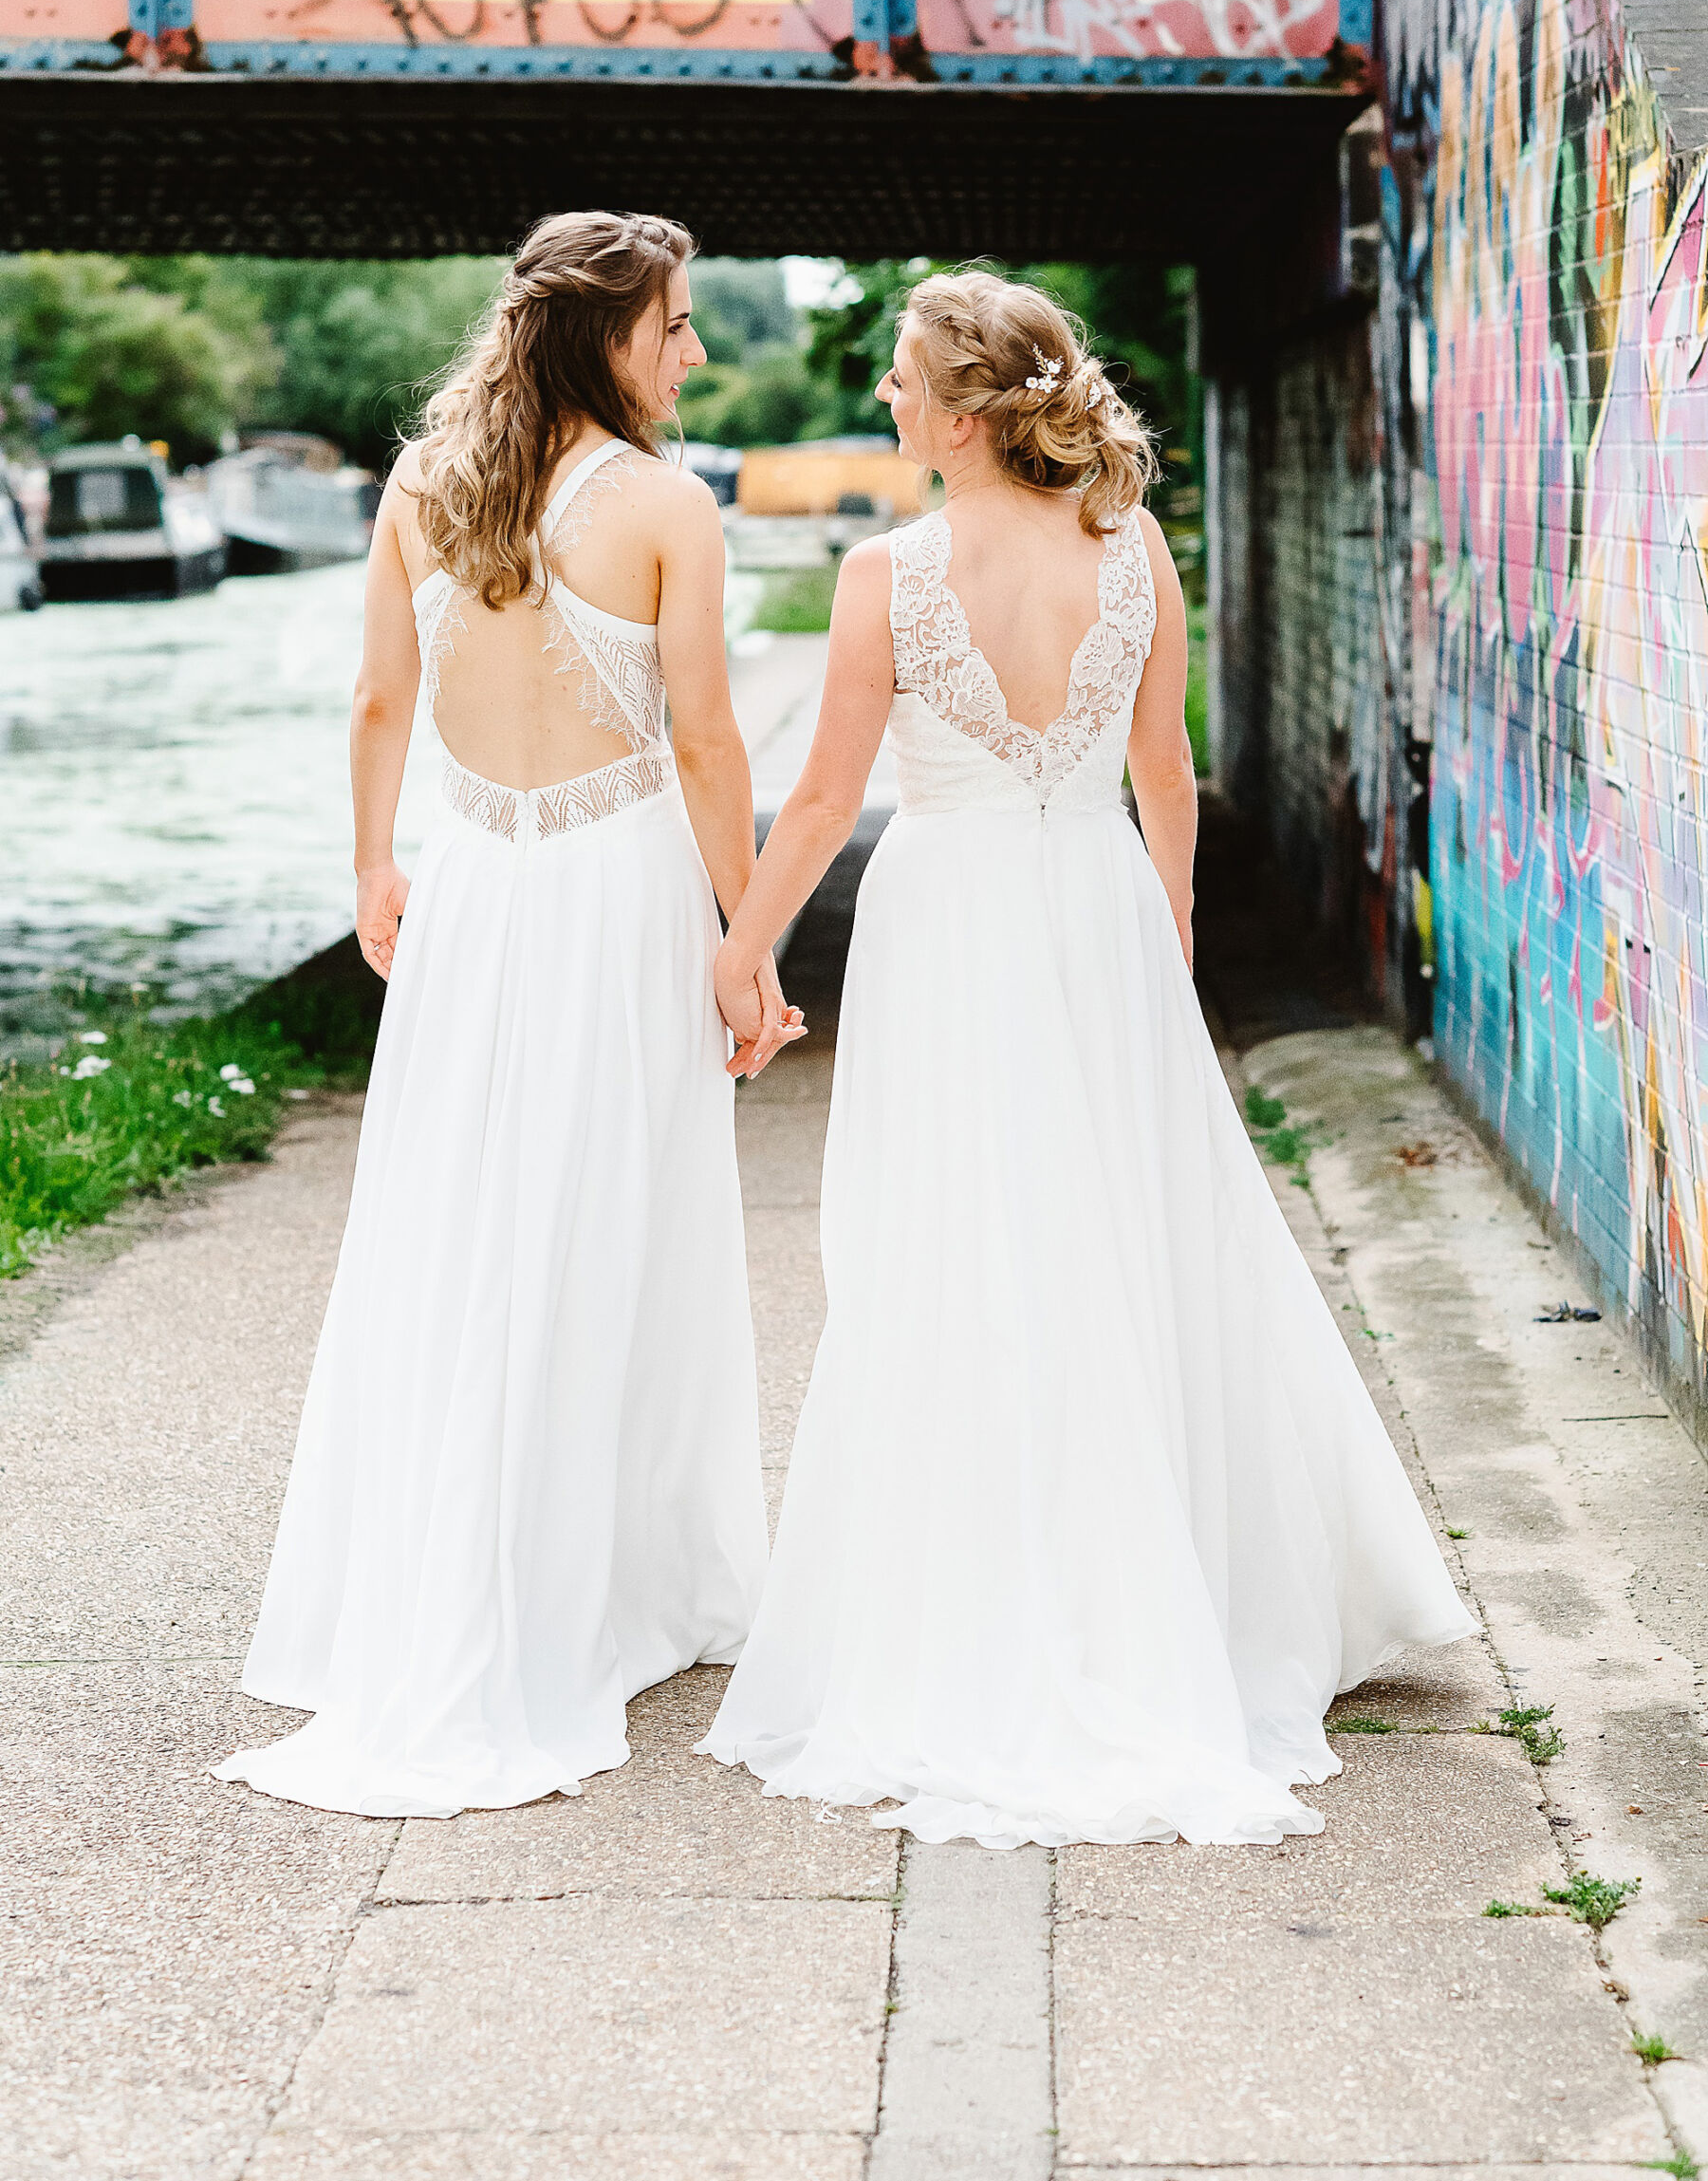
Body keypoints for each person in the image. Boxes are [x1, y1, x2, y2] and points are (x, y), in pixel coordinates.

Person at [700, 270, 1475, 1849]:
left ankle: (982, 1587)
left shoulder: (888, 571)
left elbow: (831, 796)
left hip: (955, 912)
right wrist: (1167, 924)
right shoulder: (1131, 550)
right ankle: (1177, 1572)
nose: (887, 399)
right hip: (1098, 901)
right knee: (1134, 1231)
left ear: (971, 409)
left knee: (957, 1238)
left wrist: (744, 938)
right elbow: (1166, 772)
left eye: (905, 378)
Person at [215, 210, 798, 1819]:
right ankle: (612, 1581)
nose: (690, 349)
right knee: (616, 1212)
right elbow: (702, 747)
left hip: (473, 881)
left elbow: (379, 701)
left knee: (458, 1218)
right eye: (675, 322)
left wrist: (372, 864)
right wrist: (744, 938)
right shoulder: (668, 507)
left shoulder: (422, 487)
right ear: (607, 334)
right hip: (616, 888)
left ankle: (467, 1566)